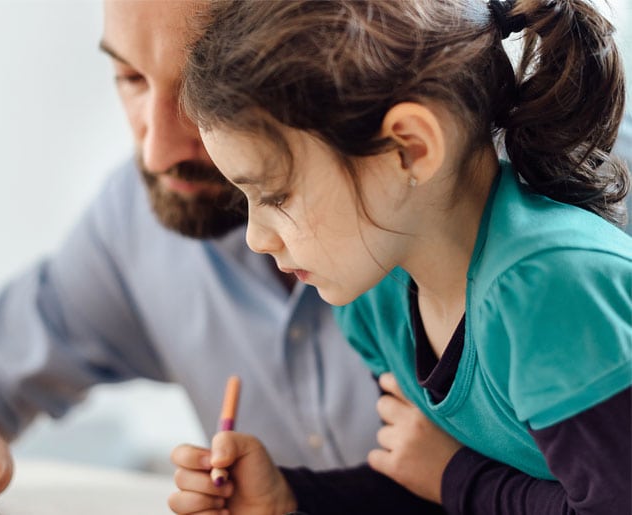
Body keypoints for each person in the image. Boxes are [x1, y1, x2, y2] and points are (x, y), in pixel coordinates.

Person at [0, 1, 414, 514]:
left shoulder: (457, 222)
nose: (157, 151)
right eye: (130, 77)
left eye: (204, 90)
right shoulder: (139, 219)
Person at [170, 1, 632, 514]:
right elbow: (426, 481)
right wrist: (289, 498)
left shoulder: (550, 291)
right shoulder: (375, 298)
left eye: (276, 195)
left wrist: (455, 477)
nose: (257, 237)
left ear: (408, 149)